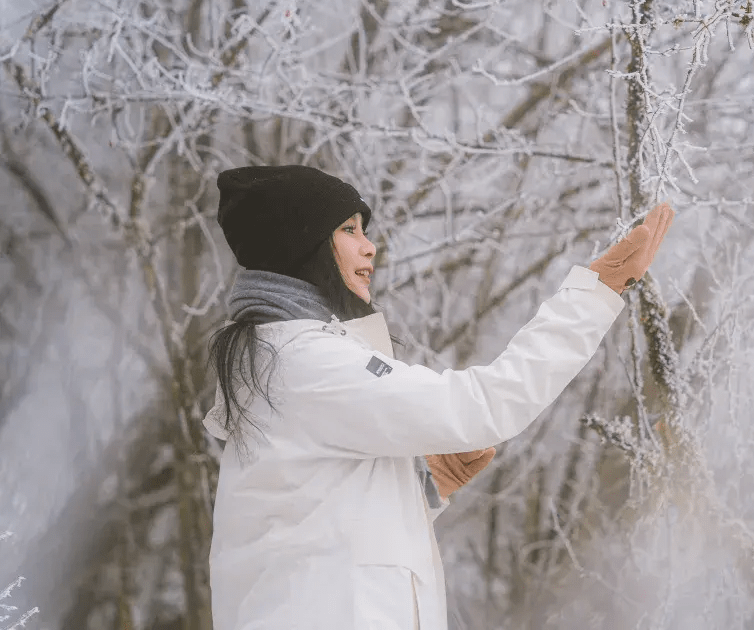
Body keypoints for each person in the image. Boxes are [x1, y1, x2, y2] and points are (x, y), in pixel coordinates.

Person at [202, 165, 674, 630]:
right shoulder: (306, 361)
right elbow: (486, 404)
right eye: (348, 229)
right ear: (299, 243)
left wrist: (423, 488)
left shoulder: (283, 364)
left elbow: (320, 524)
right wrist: (595, 294)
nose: (369, 246)